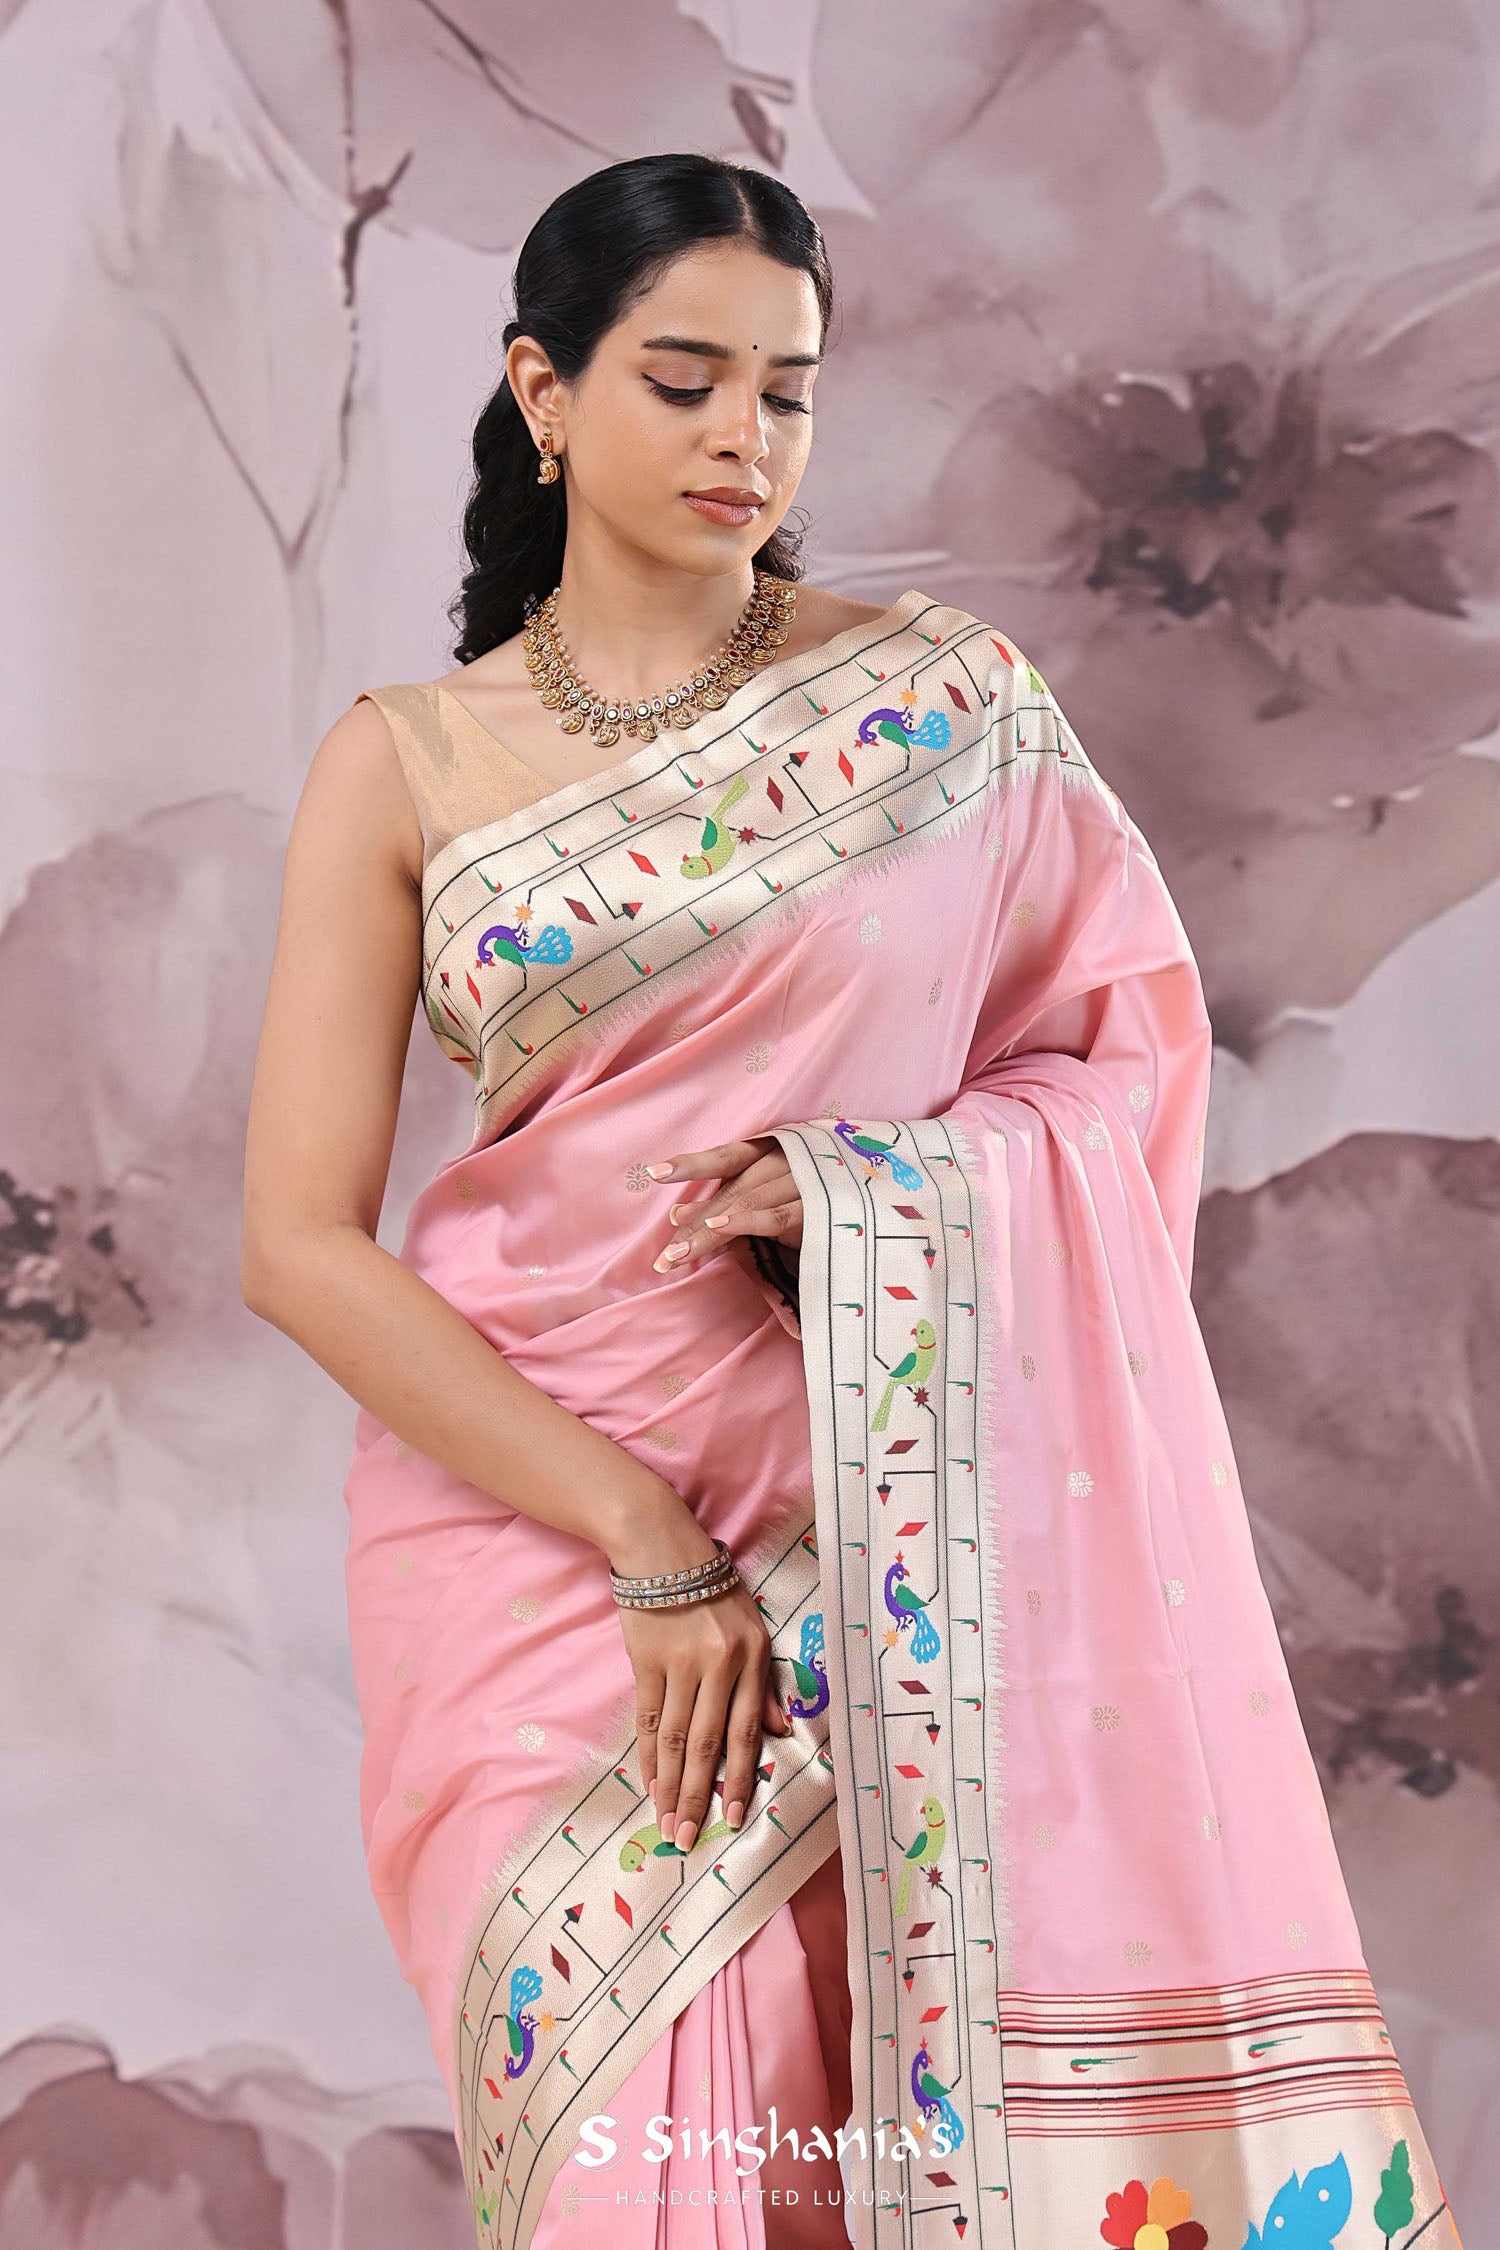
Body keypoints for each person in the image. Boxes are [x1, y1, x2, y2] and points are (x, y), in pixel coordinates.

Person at [241, 155, 1465, 2250]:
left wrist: (868, 1197)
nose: (747, 436)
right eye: (685, 380)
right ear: (543, 393)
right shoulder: (408, 762)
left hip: (879, 1519)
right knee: (636, 2157)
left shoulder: (945, 711)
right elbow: (297, 1242)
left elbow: (1126, 1067)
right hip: (529, 1541)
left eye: (788, 392)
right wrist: (642, 1542)